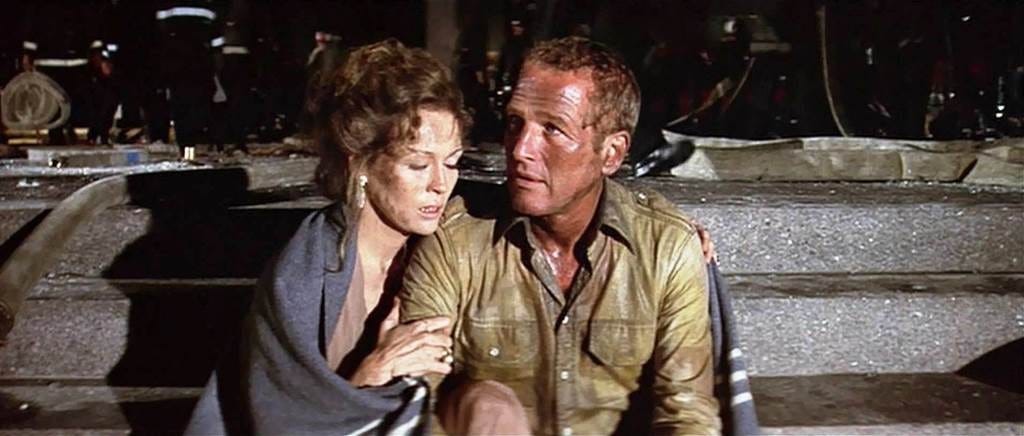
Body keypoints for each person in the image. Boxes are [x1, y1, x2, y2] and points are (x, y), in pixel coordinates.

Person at [400, 36, 721, 435]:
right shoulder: (457, 242)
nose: (520, 149)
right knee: (486, 405)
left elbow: (688, 414)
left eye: (552, 129)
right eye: (515, 123)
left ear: (612, 153)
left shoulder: (664, 247)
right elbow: (414, 400)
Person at [185, 39, 470, 435]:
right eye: (418, 165)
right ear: (360, 164)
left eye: (453, 162)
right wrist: (372, 374)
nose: (441, 184)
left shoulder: (452, 252)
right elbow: (281, 422)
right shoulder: (302, 277)